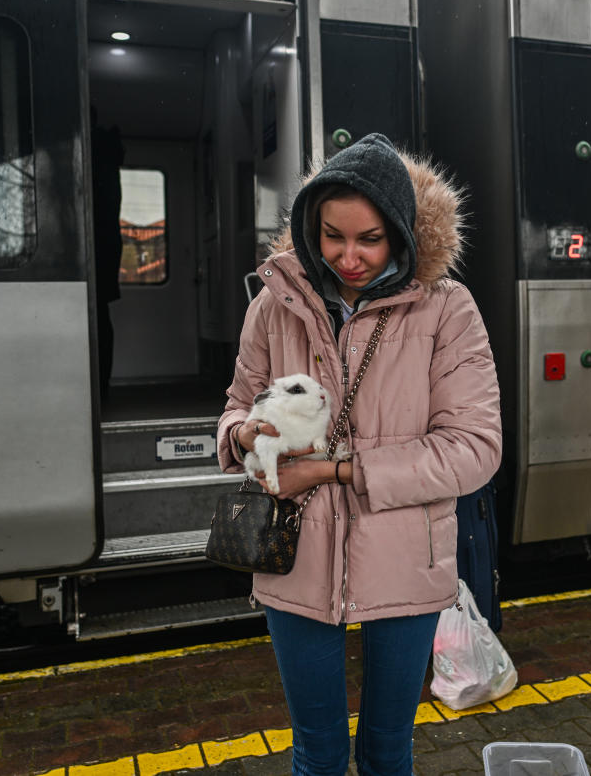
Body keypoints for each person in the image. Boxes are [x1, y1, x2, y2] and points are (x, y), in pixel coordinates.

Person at [217, 133, 502, 776]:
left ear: (400, 233)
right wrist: (242, 435)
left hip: (408, 555)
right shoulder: (274, 304)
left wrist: (334, 469)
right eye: (332, 236)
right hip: (296, 555)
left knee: (386, 747)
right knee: (315, 750)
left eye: (370, 238)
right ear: (309, 229)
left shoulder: (448, 309)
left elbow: (475, 449)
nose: (349, 257)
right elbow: (236, 404)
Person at [90, 105, 124, 400]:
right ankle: (102, 385)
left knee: (98, 314)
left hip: (98, 243)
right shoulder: (108, 146)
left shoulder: (95, 146)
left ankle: (100, 387)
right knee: (101, 314)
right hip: (106, 241)